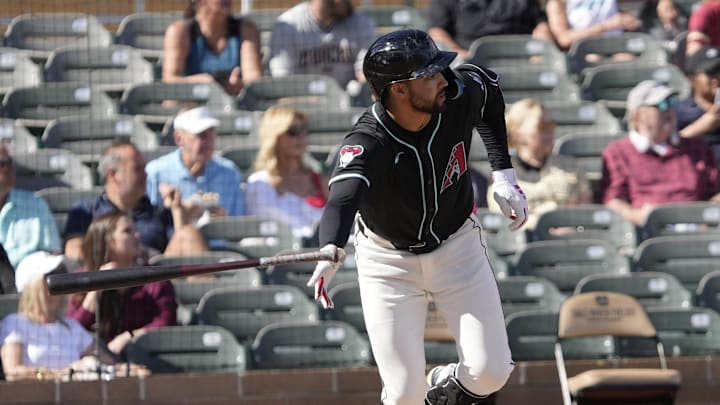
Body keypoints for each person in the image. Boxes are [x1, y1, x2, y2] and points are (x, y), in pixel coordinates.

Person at [306, 29, 528, 404]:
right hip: (387, 262)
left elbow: (489, 90)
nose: (443, 79)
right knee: (405, 394)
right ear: (399, 90)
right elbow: (342, 199)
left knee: (492, 371)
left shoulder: (456, 92)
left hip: (457, 246)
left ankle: (443, 382)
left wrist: (503, 173)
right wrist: (331, 245)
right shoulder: (368, 140)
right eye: (429, 75)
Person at [64, 139, 208, 263]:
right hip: (110, 282)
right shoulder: (88, 211)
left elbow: (182, 251)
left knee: (189, 233)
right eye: (137, 169)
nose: (145, 175)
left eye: (144, 168)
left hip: (155, 282)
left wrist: (177, 209)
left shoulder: (158, 212)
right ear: (113, 174)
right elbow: (75, 252)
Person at [601, 80, 720, 226]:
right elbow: (613, 201)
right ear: (637, 115)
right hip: (649, 233)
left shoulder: (697, 147)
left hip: (696, 231)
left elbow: (716, 191)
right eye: (661, 105)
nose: (668, 110)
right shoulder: (618, 152)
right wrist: (636, 215)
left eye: (671, 103)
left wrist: (709, 217)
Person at [67, 213, 177, 356]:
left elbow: (166, 322)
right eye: (127, 231)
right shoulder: (81, 280)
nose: (137, 236)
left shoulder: (154, 281)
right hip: (96, 362)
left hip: (144, 360)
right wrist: (95, 291)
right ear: (106, 240)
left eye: (135, 230)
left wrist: (130, 336)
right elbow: (70, 331)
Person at [0, 251, 115, 381]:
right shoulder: (15, 324)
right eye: (53, 275)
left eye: (62, 273)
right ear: (34, 286)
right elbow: (12, 371)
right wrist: (63, 373)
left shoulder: (71, 327)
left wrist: (131, 370)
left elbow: (108, 363)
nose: (61, 280)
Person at [487, 98, 592, 229]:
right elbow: (506, 221)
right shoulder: (502, 177)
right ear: (518, 134)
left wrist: (569, 226)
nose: (550, 131)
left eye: (551, 125)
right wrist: (546, 227)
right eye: (541, 126)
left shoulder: (572, 168)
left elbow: (585, 211)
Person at [145, 106, 245, 220]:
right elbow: (150, 226)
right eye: (200, 134)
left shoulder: (229, 173)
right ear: (179, 138)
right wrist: (177, 213)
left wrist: (224, 223)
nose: (208, 140)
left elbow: (238, 223)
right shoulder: (156, 173)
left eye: (211, 132)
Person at [245, 106, 328, 243]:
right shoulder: (260, 183)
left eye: (304, 130)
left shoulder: (320, 180)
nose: (301, 137)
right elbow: (261, 236)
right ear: (275, 136)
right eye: (293, 132)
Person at [268, 0, 377, 89]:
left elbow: (366, 76)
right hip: (301, 102)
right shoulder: (288, 25)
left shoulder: (361, 22)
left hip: (347, 103)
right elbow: (282, 83)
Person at [162, 0, 263, 95]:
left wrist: (239, 85)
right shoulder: (179, 32)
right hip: (191, 106)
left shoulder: (247, 29)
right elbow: (170, 80)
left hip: (236, 105)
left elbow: (253, 78)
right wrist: (202, 82)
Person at [427, 0, 554, 60]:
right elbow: (437, 31)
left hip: (522, 60)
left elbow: (541, 26)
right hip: (472, 62)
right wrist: (459, 55)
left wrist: (542, 52)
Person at [0, 145, 61, 268]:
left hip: (29, 282)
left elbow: (54, 255)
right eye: (2, 163)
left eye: (11, 162)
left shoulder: (36, 204)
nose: (11, 168)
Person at [676, 45, 720, 160]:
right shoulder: (679, 111)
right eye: (710, 73)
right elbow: (662, 147)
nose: (718, 78)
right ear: (692, 78)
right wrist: (699, 128)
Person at [545, 0, 642, 51]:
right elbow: (564, 39)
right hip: (583, 52)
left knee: (626, 57)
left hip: (617, 47)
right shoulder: (557, 3)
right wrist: (605, 26)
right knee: (593, 57)